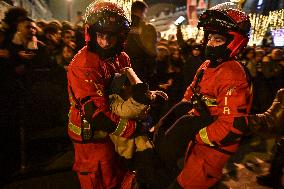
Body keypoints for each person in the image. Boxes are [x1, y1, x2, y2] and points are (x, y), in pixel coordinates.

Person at [154, 3, 253, 188]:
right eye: (209, 37)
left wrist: (195, 134)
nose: (210, 43)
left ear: (234, 41)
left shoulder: (233, 74)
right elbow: (190, 94)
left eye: (217, 39)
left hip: (212, 150)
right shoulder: (207, 65)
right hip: (198, 141)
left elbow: (232, 128)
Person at [67, 1, 139, 188]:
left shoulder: (121, 57)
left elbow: (130, 89)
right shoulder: (84, 64)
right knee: (102, 179)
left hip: (113, 127)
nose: (105, 43)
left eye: (111, 37)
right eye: (100, 35)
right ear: (91, 34)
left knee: (120, 175)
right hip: (93, 136)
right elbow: (94, 113)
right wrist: (132, 129)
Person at [125, 1, 157, 86]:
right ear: (141, 12)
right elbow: (151, 51)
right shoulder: (147, 28)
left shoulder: (122, 25)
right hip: (141, 68)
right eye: (145, 13)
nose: (145, 16)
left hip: (122, 67)